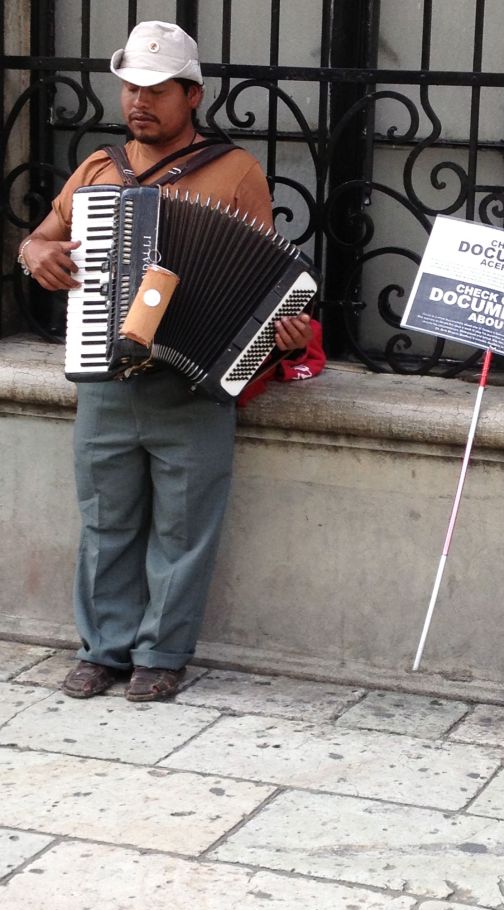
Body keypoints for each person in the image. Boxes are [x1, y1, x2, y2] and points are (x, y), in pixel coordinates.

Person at [17, 21, 314, 702]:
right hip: (106, 377)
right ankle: (102, 651)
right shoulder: (97, 170)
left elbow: (259, 281)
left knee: (185, 529)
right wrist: (34, 253)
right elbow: (41, 238)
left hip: (192, 383)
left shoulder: (235, 171)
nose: (137, 102)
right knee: (104, 521)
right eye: (129, 87)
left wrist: (284, 331)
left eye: (154, 89)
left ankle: (161, 656)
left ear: (192, 95)